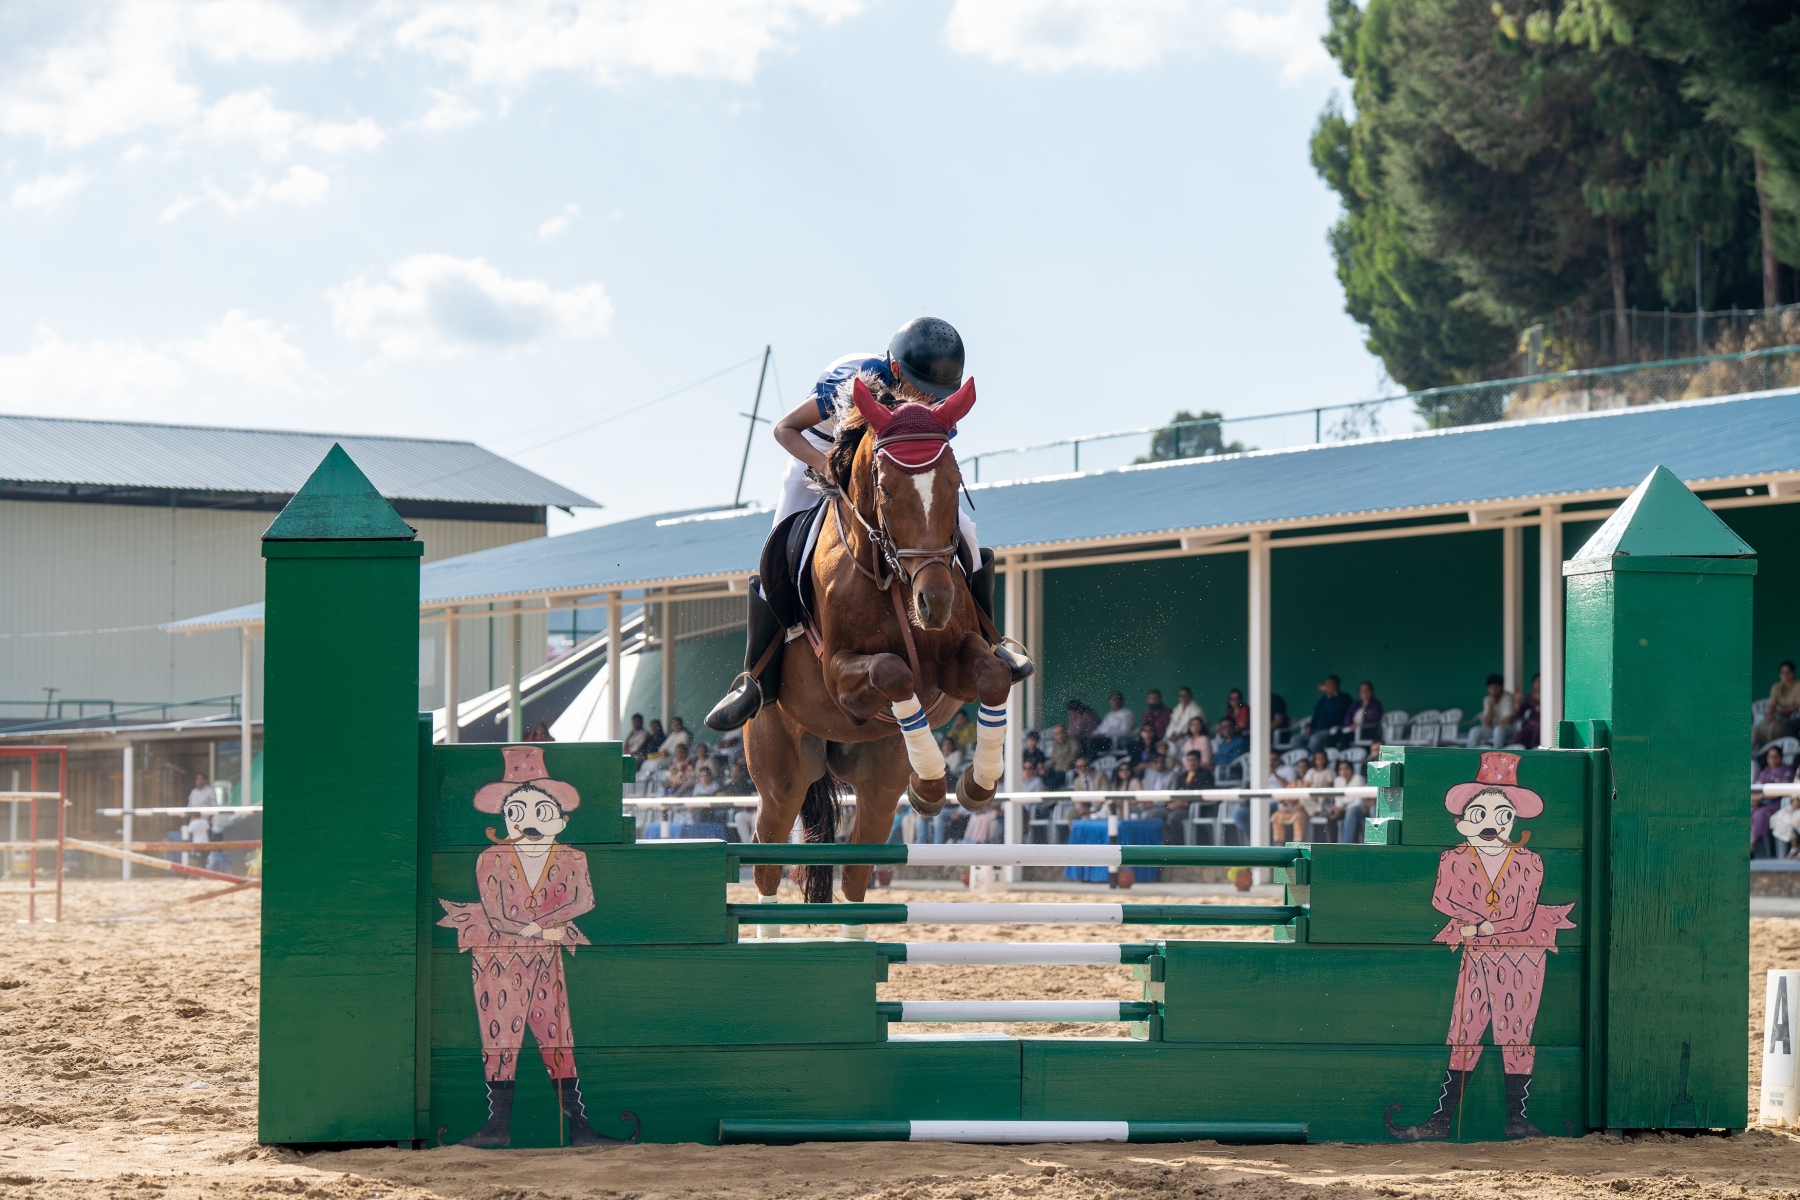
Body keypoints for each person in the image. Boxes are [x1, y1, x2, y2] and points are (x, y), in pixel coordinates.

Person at [704, 317, 1032, 731]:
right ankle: (755, 677)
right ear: (895, 370)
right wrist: (825, 466)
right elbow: (784, 429)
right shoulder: (852, 379)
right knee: (779, 549)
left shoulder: (933, 405)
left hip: (884, 469)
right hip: (817, 455)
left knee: (966, 531)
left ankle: (990, 639)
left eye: (938, 396)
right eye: (921, 389)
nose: (928, 401)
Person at [1753, 745, 1793, 851]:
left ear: (1781, 757)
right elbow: (1757, 786)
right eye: (1770, 757)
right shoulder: (1766, 770)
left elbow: (1783, 790)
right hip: (1761, 802)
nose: (1772, 760)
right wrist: (1754, 797)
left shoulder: (1787, 770)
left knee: (1760, 814)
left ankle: (1752, 845)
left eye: (1775, 757)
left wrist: (1761, 796)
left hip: (1777, 803)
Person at [1467, 674, 1519, 749]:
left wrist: (1495, 727)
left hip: (1507, 728)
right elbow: (1487, 722)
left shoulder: (1508, 697)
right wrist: (1491, 706)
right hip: (1493, 728)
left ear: (1501, 687)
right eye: (1491, 687)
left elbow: (1508, 719)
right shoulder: (1487, 699)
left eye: (1496, 686)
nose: (1494, 689)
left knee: (1498, 730)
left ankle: (1496, 753)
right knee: (1474, 731)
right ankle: (1469, 753)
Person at [1305, 676, 1355, 753]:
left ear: (1337, 685)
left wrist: (1336, 695)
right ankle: (1303, 758)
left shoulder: (1344, 698)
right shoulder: (1323, 700)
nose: (1328, 686)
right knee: (1296, 740)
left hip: (1331, 730)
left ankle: (1312, 758)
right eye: (1327, 684)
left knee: (1315, 739)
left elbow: (1348, 713)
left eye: (1331, 684)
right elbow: (1315, 716)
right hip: (1316, 730)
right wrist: (1309, 726)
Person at [1756, 661, 1800, 745]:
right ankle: (1766, 750)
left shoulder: (1798, 685)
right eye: (1782, 672)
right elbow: (1772, 704)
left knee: (1777, 728)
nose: (1785, 675)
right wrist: (1769, 712)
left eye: (1788, 672)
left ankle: (1783, 749)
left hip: (1794, 716)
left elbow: (1797, 706)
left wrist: (1779, 712)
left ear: (1793, 673)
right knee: (1761, 727)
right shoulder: (1776, 686)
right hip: (1779, 716)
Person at [1330, 759, 1367, 844]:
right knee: (1331, 813)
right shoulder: (1338, 780)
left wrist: (1343, 808)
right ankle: (1332, 844)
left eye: (1347, 769)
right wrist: (1337, 808)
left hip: (1359, 808)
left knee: (1351, 811)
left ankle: (1347, 844)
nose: (1344, 771)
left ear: (1352, 770)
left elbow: (1359, 801)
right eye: (1341, 769)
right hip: (1343, 808)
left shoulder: (1358, 779)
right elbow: (1338, 800)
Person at [1516, 675, 1542, 750]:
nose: (1538, 683)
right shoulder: (1530, 696)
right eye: (1536, 681)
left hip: (1543, 723)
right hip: (1531, 723)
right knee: (1523, 733)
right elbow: (1520, 712)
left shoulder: (1549, 695)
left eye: (1540, 681)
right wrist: (1518, 700)